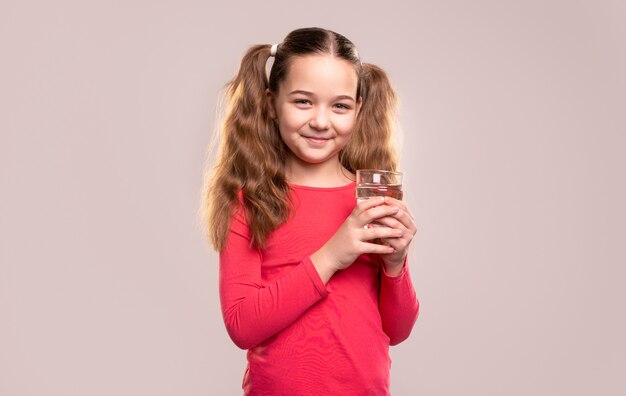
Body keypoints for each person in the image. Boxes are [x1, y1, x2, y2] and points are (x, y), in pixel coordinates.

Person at [202, 27, 419, 395]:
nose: (321, 121)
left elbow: (397, 330)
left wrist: (396, 264)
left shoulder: (369, 200)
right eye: (303, 101)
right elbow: (241, 325)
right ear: (271, 102)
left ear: (358, 109)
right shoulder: (250, 198)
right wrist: (333, 254)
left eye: (340, 106)